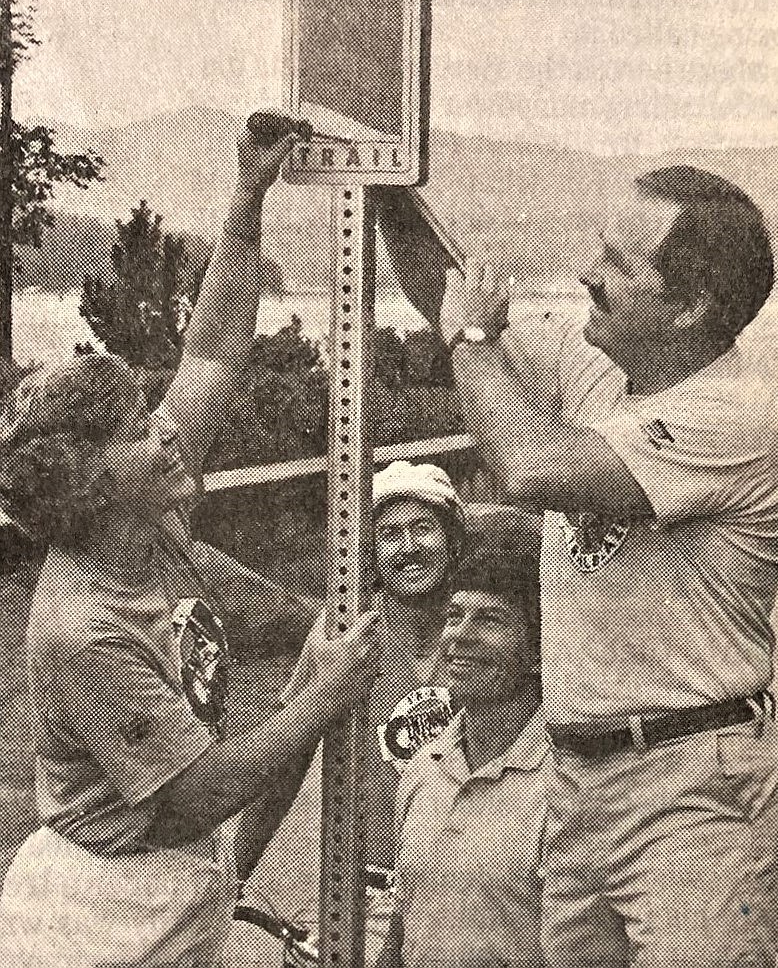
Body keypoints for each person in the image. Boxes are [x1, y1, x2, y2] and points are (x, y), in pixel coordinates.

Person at [0, 117, 382, 968]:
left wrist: (248, 201)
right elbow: (197, 790)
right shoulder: (82, 627)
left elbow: (210, 353)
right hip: (100, 911)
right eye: (141, 430)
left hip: (168, 879)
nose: (167, 432)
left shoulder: (145, 515)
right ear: (93, 482)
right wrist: (324, 694)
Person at [379, 166, 778, 967]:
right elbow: (443, 292)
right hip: (579, 782)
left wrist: (471, 338)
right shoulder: (602, 360)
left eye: (619, 264)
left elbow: (528, 464)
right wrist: (385, 172)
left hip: (691, 794)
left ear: (691, 307)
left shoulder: (736, 416)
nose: (586, 275)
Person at [243, 460, 473, 962]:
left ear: (453, 540)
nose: (408, 547)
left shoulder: (485, 638)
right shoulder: (345, 632)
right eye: (389, 535)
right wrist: (237, 872)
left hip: (462, 888)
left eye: (423, 529)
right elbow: (288, 754)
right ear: (368, 552)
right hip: (361, 895)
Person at [376, 551, 546, 968]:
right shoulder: (423, 768)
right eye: (454, 616)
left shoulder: (563, 777)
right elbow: (403, 930)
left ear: (540, 653)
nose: (460, 636)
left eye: (489, 620)